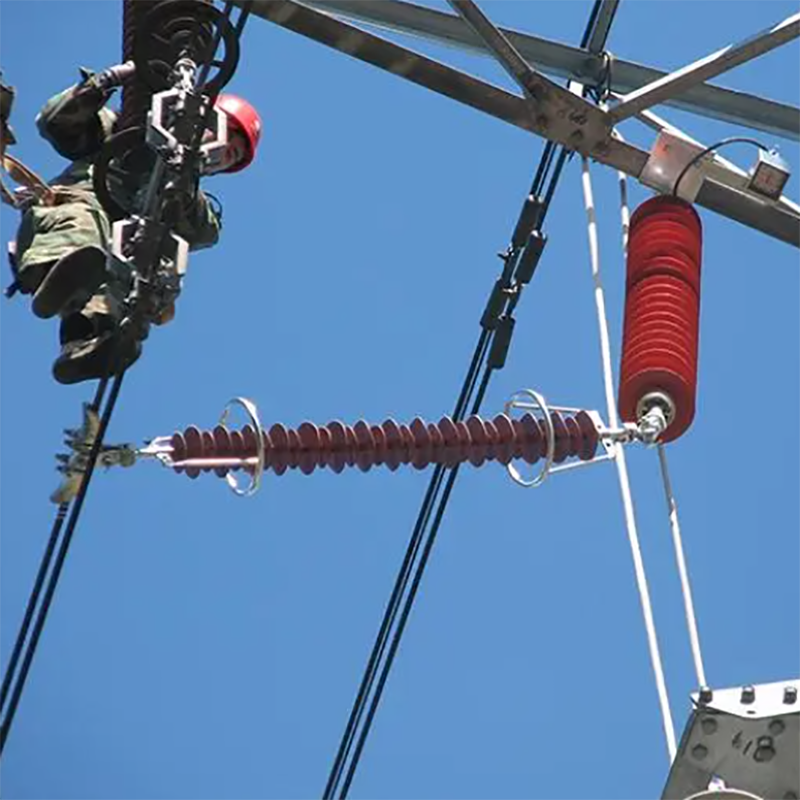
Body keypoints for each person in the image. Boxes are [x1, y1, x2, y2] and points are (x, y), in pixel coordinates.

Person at [8, 63, 262, 384]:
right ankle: (50, 269)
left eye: (232, 156)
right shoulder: (122, 133)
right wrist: (105, 83)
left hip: (101, 260)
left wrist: (182, 175)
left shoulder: (191, 203)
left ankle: (87, 341)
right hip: (68, 219)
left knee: (125, 274)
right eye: (226, 136)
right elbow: (54, 122)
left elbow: (203, 231)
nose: (224, 152)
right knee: (89, 226)